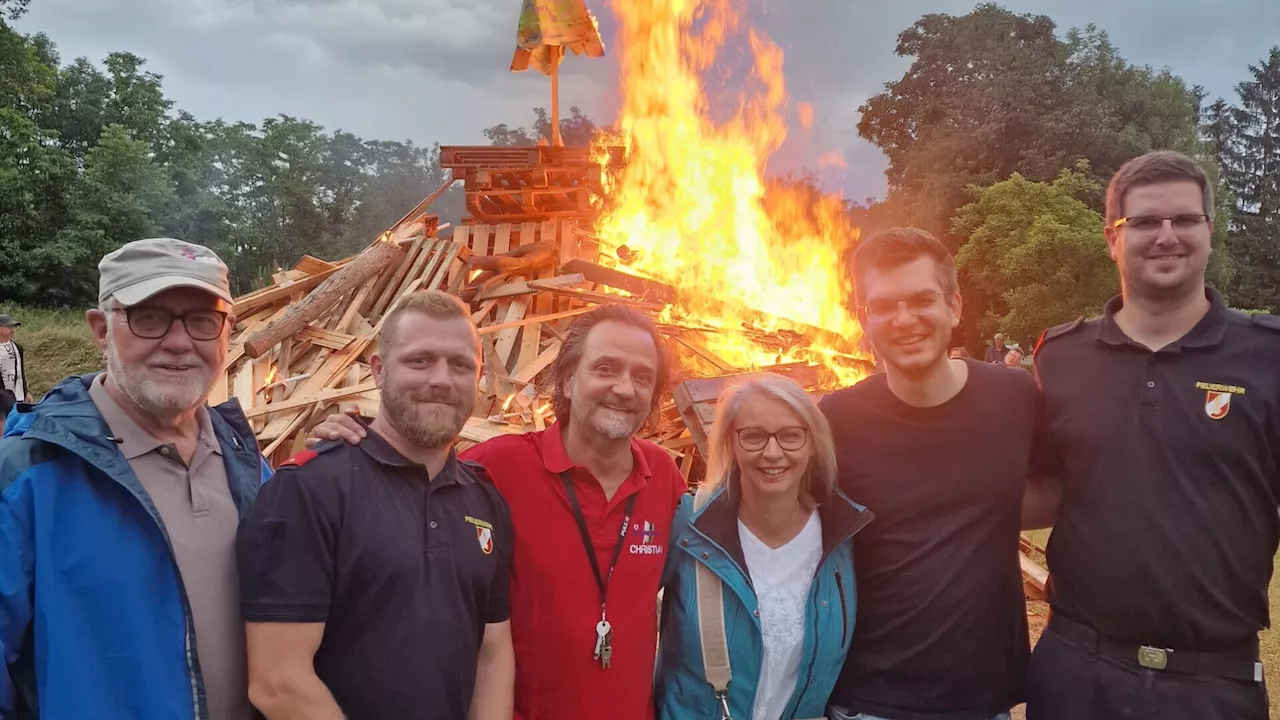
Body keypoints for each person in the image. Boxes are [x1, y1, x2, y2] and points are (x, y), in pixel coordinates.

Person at [308, 304, 689, 720]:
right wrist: (353, 437)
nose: (624, 388)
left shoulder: (664, 477)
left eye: (642, 377)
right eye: (605, 369)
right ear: (566, 379)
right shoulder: (499, 467)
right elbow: (411, 473)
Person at [1024, 150, 1279, 720]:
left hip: (1214, 683)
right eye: (1143, 222)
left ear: (1209, 232)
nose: (1167, 236)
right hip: (1075, 673)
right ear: (1112, 237)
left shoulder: (1269, 357)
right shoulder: (1061, 356)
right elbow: (1041, 490)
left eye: (1184, 219)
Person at [0, 238, 270, 720]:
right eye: (149, 317)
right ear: (101, 330)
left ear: (227, 333)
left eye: (203, 321)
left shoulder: (248, 464)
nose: (180, 342)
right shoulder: (28, 474)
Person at [236, 290, 515, 720]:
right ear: (379, 372)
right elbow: (278, 682)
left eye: (460, 364)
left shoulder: (484, 500)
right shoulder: (307, 491)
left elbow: (492, 655)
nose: (441, 379)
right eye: (420, 360)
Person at [821, 228, 1042, 720]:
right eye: (884, 305)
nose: (904, 320)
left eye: (922, 299)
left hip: (983, 701)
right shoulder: (835, 419)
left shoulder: (1014, 399)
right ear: (865, 319)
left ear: (955, 307)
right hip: (865, 701)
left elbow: (1062, 489)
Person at [656, 373, 872, 720]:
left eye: (790, 436)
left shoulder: (844, 538)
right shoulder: (689, 524)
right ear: (731, 444)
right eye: (753, 436)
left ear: (813, 443)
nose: (773, 453)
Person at [0, 314, 29, 415]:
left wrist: (26, 392)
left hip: (18, 395)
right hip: (3, 397)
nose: (12, 330)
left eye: (13, 327)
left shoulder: (17, 347)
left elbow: (21, 370)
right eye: (8, 327)